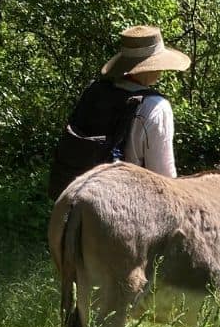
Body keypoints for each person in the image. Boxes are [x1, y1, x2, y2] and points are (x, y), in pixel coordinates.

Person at [48, 25, 189, 198]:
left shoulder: (95, 91)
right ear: (151, 66)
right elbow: (163, 177)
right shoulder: (156, 106)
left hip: (78, 192)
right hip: (129, 199)